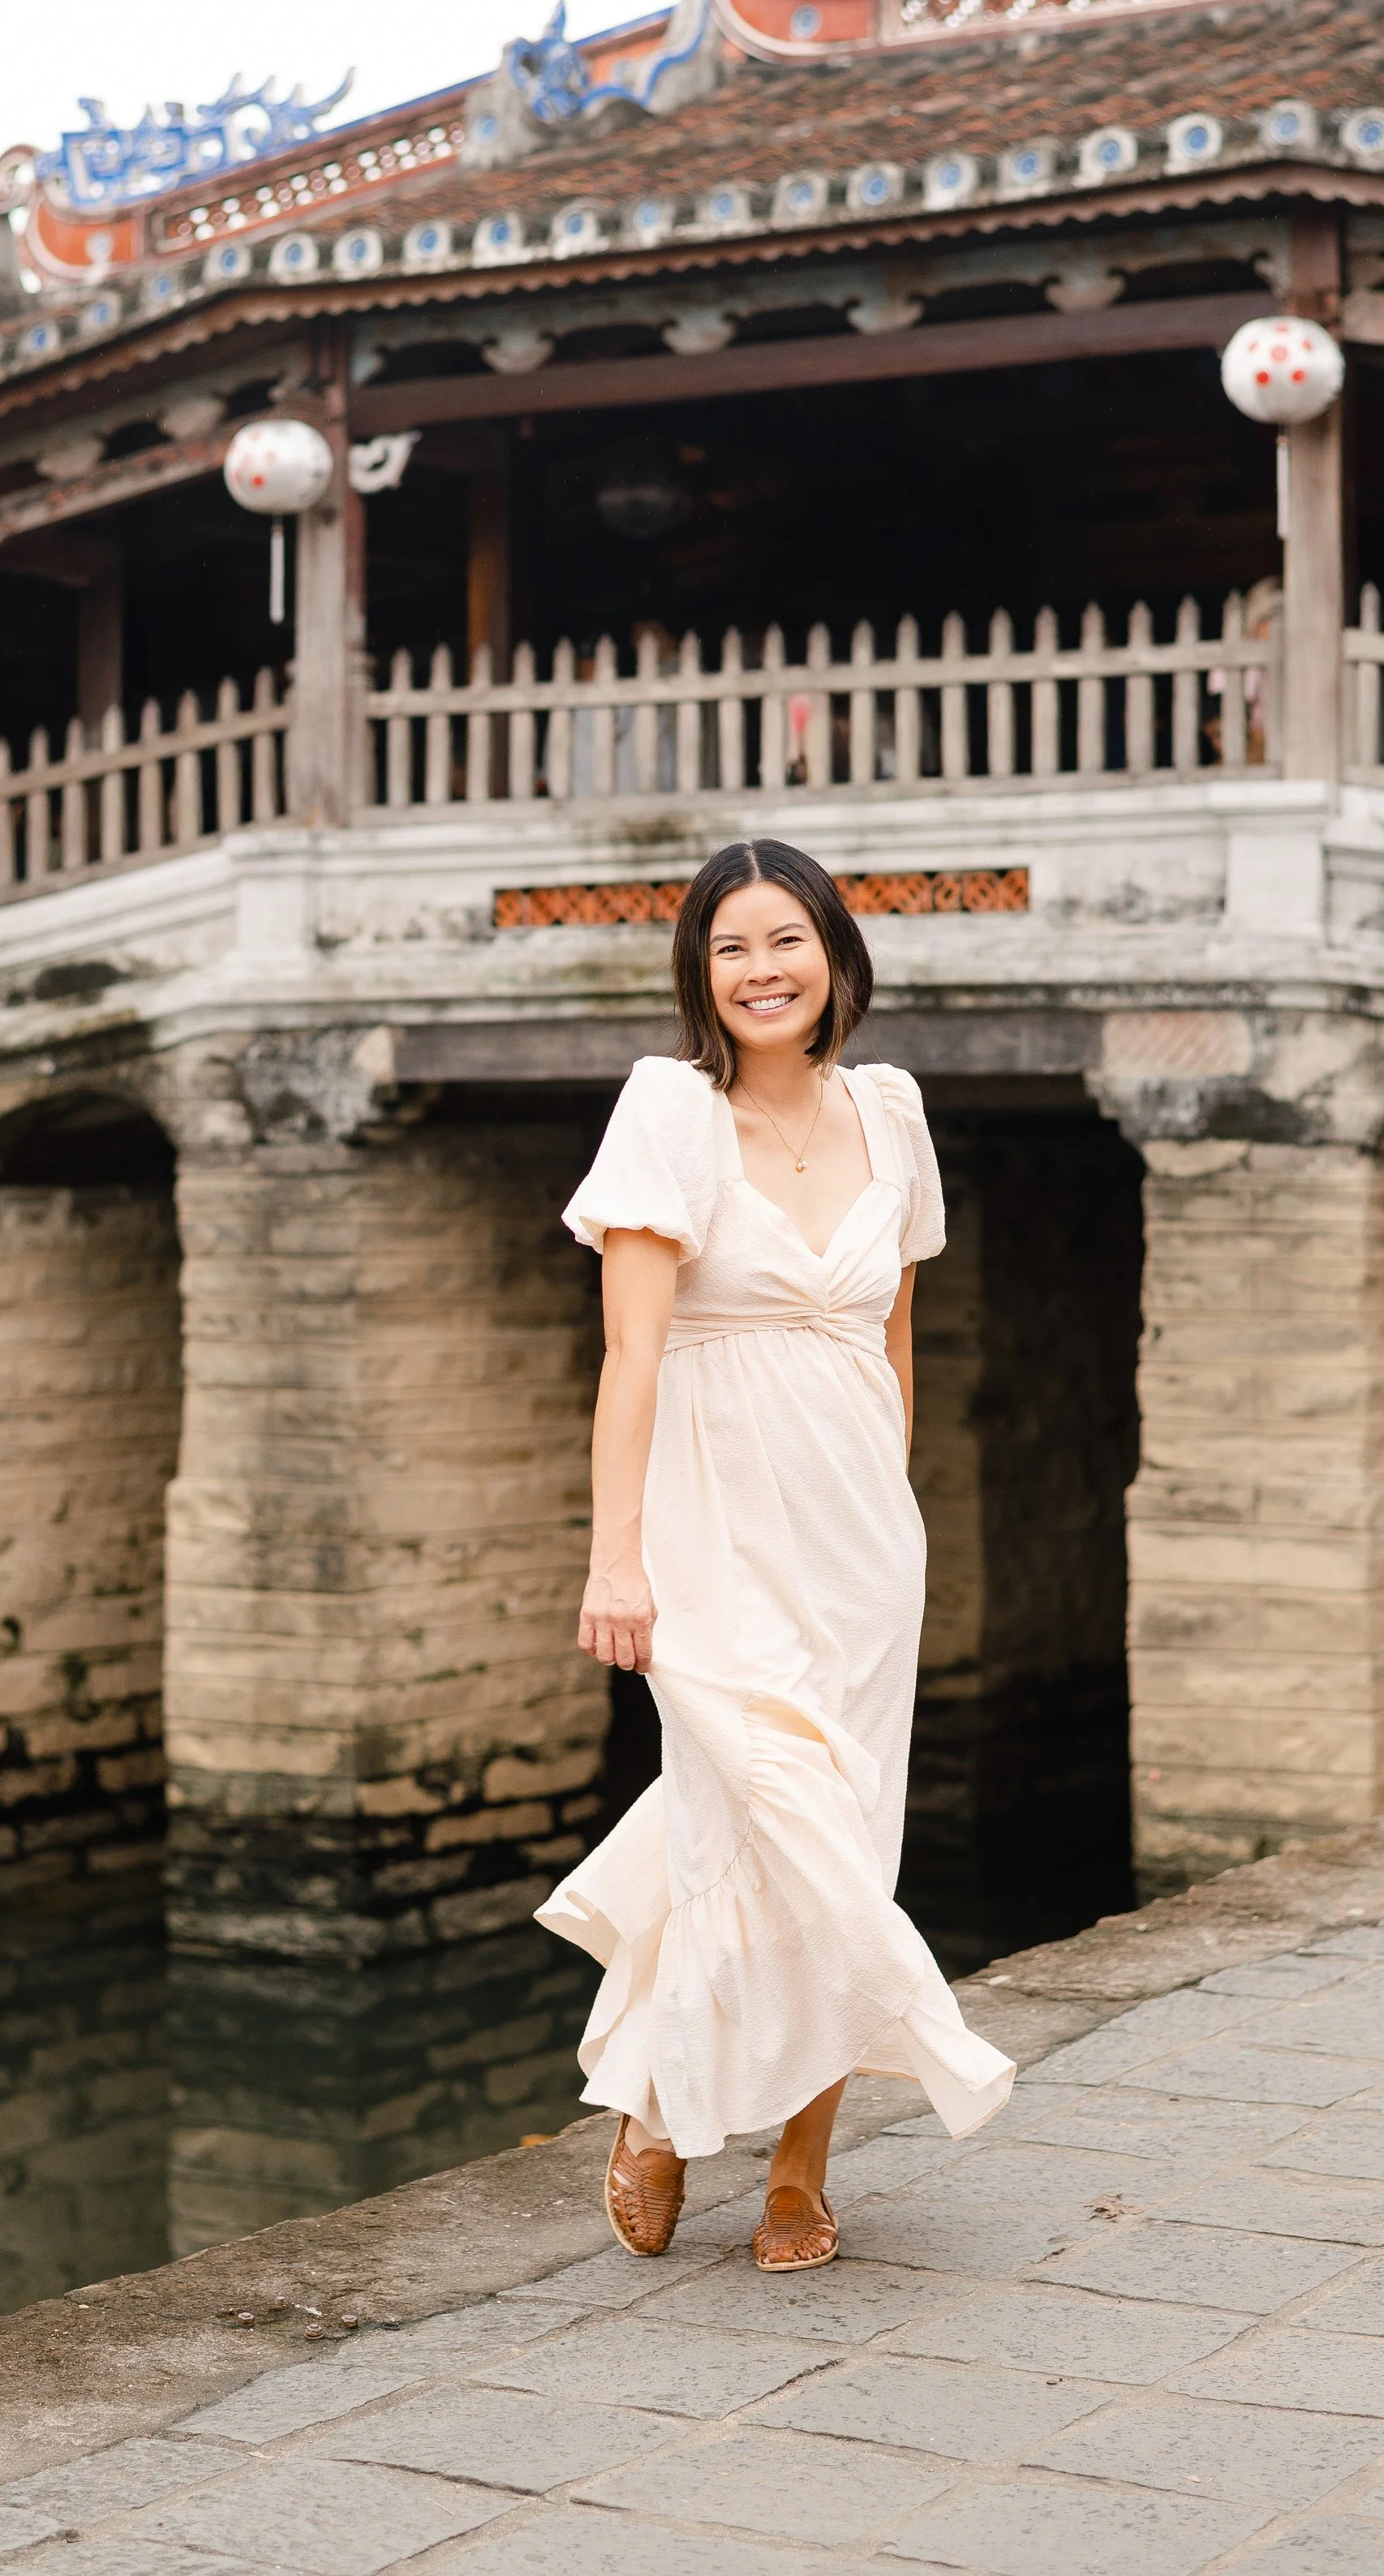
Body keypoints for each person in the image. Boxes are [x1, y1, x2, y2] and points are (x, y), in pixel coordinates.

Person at [537, 836, 1014, 2273]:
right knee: (752, 1811)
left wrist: (895, 1500)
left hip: (861, 1538)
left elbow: (891, 1334)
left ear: (835, 956)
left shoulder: (893, 1110)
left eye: (786, 940)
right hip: (710, 1526)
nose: (761, 970)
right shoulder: (666, 1111)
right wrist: (615, 1562)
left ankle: (802, 2176)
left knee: (842, 1849)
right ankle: (663, 2110)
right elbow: (629, 1361)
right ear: (701, 970)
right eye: (731, 946)